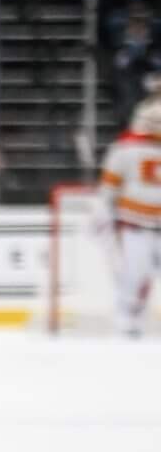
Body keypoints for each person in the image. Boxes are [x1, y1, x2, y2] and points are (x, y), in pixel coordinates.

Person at [95, 97, 161, 337]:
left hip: (141, 226)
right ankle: (126, 320)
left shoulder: (123, 148)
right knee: (134, 276)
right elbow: (108, 191)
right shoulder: (125, 149)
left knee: (136, 276)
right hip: (135, 226)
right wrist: (105, 216)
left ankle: (130, 319)